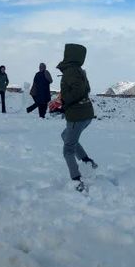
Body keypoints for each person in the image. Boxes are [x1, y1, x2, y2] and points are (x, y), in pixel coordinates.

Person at [52, 44, 97, 192]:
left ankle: (76, 180)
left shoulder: (71, 71)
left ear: (69, 55)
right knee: (66, 135)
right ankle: (87, 161)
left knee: (68, 150)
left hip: (77, 115)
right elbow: (84, 90)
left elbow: (76, 91)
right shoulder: (78, 70)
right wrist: (62, 101)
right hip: (85, 113)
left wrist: (63, 102)